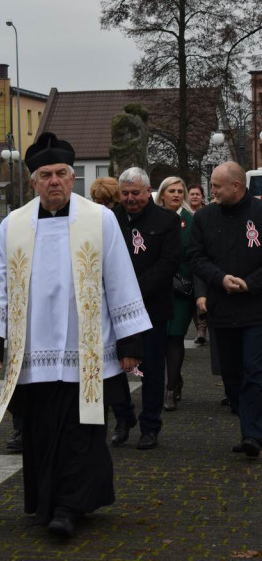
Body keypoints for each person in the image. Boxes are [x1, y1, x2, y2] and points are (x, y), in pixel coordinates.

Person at [0, 132, 152, 539]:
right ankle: (49, 502)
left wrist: (130, 342)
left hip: (86, 349)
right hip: (33, 350)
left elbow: (120, 280)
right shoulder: (13, 224)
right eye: (45, 175)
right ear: (33, 181)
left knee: (81, 429)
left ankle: (70, 506)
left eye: (61, 174)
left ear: (73, 178)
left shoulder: (100, 219)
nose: (54, 181)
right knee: (39, 428)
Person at [188, 161, 262, 459]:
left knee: (255, 371)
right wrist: (219, 279)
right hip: (222, 309)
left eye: (217, 186)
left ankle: (252, 435)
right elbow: (194, 256)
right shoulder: (204, 218)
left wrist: (250, 284)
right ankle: (248, 422)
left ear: (237, 186)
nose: (211, 191)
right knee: (231, 374)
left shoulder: (259, 214)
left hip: (256, 309)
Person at [111, 167, 182, 449]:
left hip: (152, 305)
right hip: (114, 307)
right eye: (125, 193)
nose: (131, 199)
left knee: (151, 368)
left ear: (148, 190)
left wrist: (135, 290)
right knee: (113, 368)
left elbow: (170, 261)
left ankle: (150, 425)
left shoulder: (166, 220)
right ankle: (123, 417)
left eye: (136, 193)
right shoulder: (109, 218)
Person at [155, 176, 198, 411]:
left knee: (175, 337)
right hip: (157, 287)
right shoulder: (152, 217)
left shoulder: (190, 220)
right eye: (171, 190)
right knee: (159, 339)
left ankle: (170, 389)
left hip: (182, 288)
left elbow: (196, 253)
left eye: (180, 191)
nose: (176, 195)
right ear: (162, 194)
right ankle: (175, 378)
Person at [187, 184, 208, 344]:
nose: (194, 197)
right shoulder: (185, 214)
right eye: (192, 194)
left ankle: (204, 327)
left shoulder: (208, 213)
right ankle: (200, 329)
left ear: (202, 197)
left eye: (197, 194)